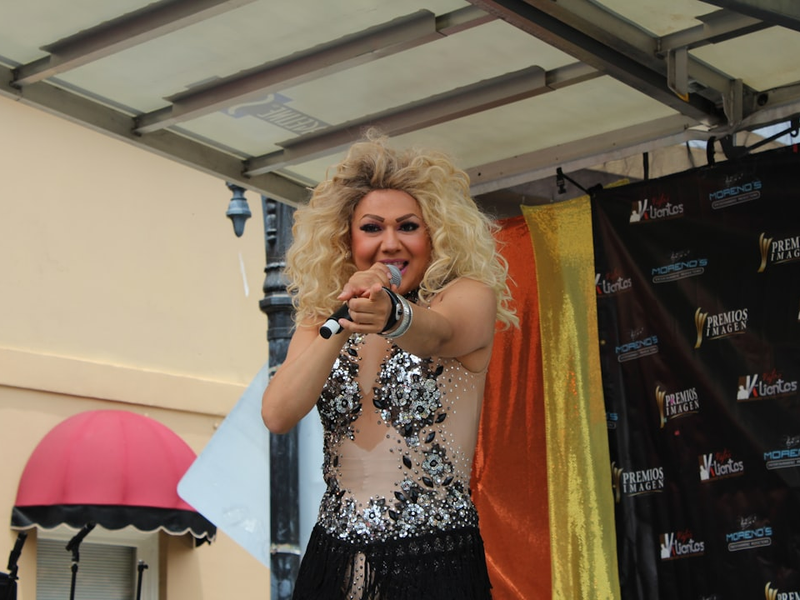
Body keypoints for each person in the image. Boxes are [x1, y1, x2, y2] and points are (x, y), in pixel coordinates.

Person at [261, 130, 517, 600]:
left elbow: (438, 333)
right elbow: (278, 413)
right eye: (373, 227)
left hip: (432, 558)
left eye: (408, 226)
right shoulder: (326, 318)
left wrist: (391, 313)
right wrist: (342, 320)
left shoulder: (466, 296)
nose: (391, 243)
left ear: (435, 232)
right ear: (347, 238)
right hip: (333, 558)